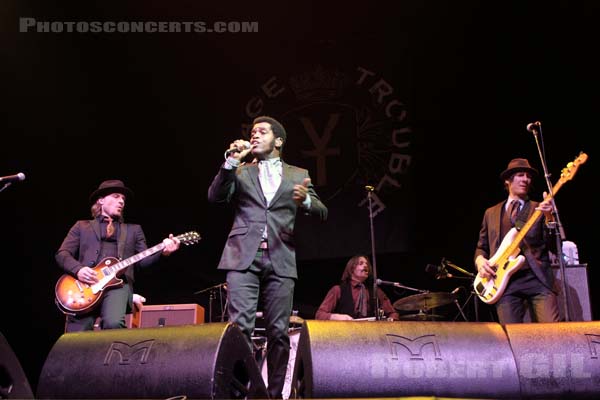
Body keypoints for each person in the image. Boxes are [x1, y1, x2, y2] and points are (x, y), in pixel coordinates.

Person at [208, 116, 327, 399]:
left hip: (281, 256)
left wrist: (307, 201)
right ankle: (239, 392)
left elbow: (322, 212)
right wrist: (231, 162)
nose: (254, 136)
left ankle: (273, 396)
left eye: (262, 132)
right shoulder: (240, 171)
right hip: (242, 257)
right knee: (240, 330)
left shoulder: (298, 174)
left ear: (279, 141)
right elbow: (215, 196)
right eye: (252, 132)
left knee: (278, 333)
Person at [56, 179, 181, 332]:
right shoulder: (81, 226)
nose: (121, 201)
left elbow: (143, 263)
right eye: (116, 196)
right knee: (77, 332)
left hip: (118, 285)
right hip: (85, 285)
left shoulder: (133, 230)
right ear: (101, 200)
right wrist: (79, 270)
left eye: (123, 199)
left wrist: (164, 252)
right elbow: (62, 254)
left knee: (113, 323)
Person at [474, 158, 560, 324]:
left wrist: (549, 218)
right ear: (508, 180)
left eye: (528, 176)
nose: (525, 179)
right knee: (511, 337)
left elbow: (554, 247)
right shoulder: (490, 213)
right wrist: (480, 261)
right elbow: (481, 247)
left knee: (553, 334)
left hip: (537, 278)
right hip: (504, 283)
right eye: (520, 175)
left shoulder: (539, 208)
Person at [315, 255, 400, 321]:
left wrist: (390, 320)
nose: (366, 265)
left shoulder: (376, 291)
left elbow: (393, 313)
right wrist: (336, 317)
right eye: (361, 263)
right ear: (352, 269)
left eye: (367, 264)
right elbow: (319, 315)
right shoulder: (338, 290)